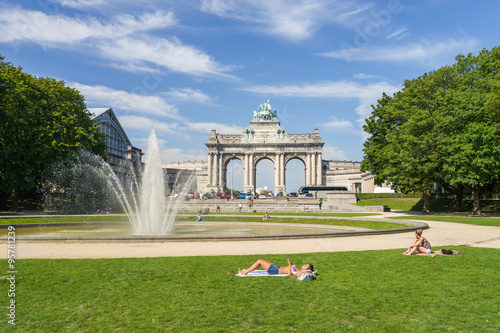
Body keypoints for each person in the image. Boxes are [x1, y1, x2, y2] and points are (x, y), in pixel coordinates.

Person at [233, 258, 314, 278]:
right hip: (276, 268)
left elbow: (290, 274)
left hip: (275, 271)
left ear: (306, 269)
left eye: (305, 266)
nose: (304, 265)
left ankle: (245, 272)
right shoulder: (298, 270)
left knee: (260, 261)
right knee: (260, 263)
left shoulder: (298, 273)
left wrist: (289, 264)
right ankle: (247, 271)